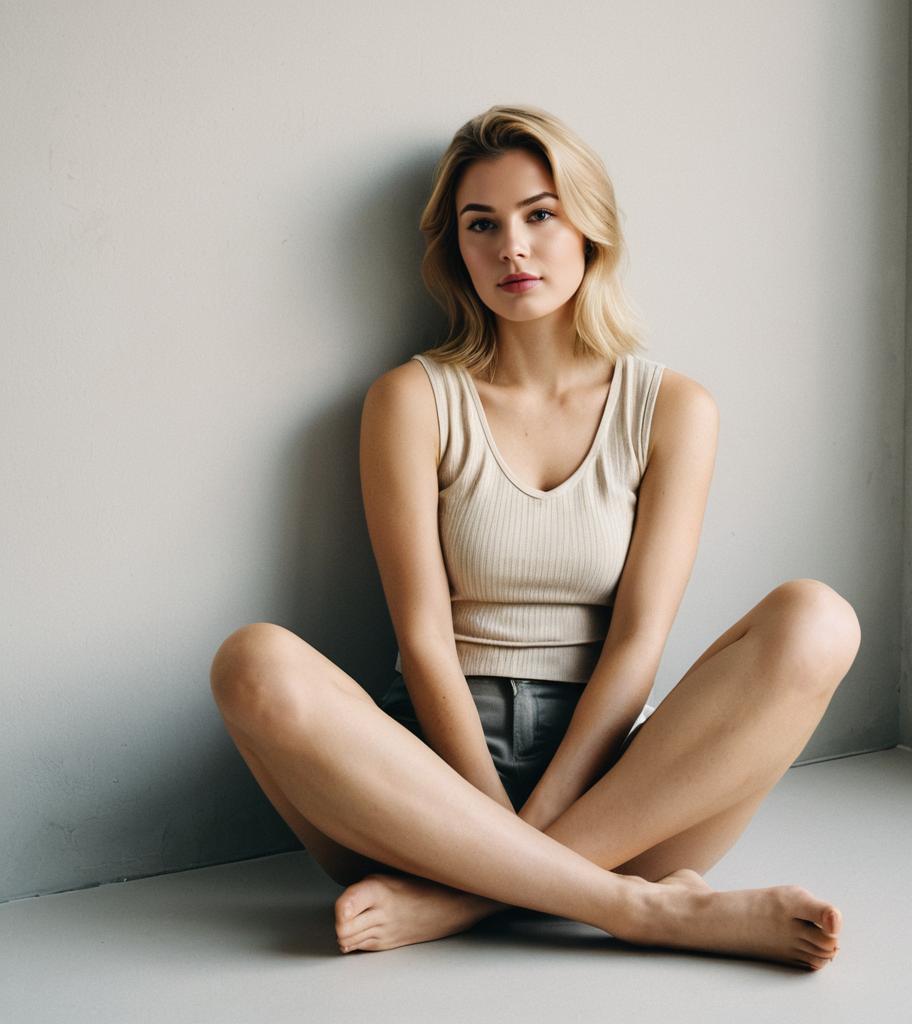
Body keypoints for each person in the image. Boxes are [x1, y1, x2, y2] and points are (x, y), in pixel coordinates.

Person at [209, 104, 860, 970]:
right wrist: (480, 823)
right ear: (456, 252)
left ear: (590, 228)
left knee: (819, 618)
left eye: (540, 214)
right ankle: (643, 911)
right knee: (252, 662)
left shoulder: (672, 409)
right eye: (483, 226)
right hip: (423, 783)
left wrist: (521, 846)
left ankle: (463, 905)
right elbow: (424, 641)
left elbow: (638, 646)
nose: (512, 248)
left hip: (621, 784)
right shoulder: (410, 401)